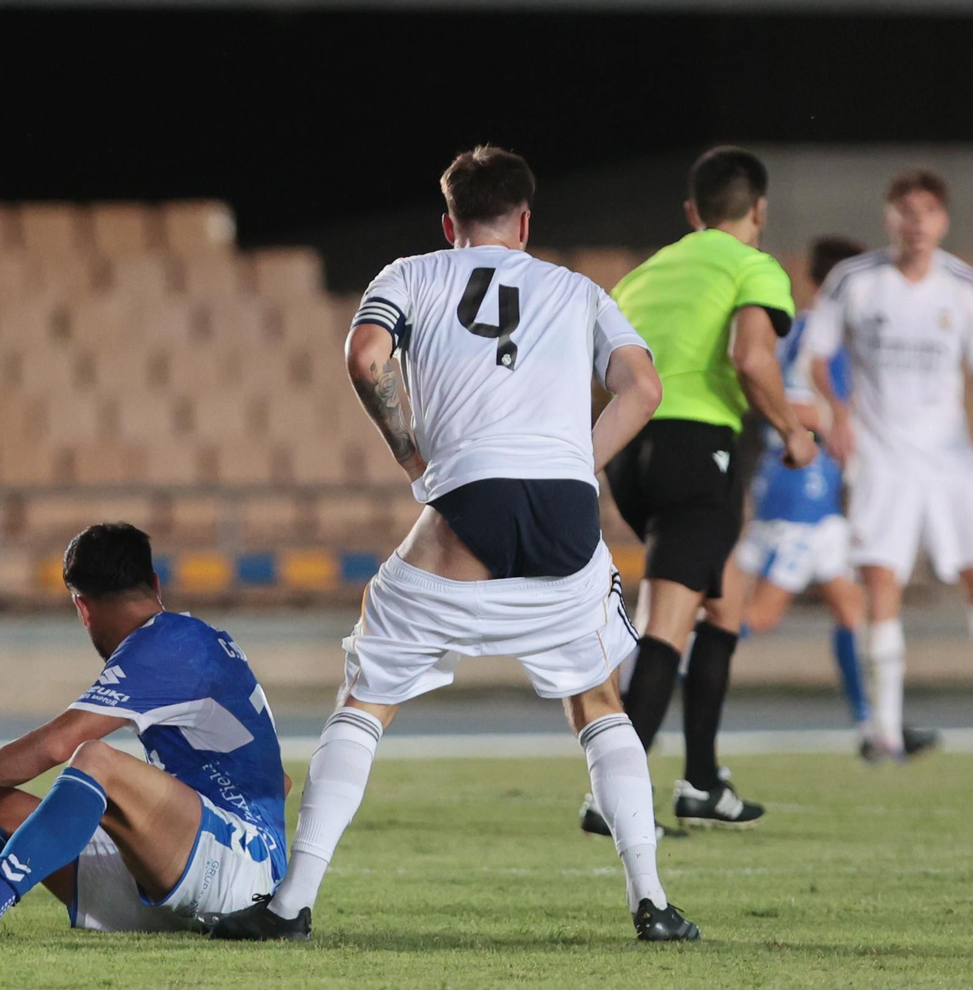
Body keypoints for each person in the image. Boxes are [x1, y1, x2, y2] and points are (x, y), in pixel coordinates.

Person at [203, 146, 698, 943]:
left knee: (366, 700)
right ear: (526, 219)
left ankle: (291, 904)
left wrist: (406, 449)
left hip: (468, 501)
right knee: (598, 700)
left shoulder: (410, 273)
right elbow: (644, 387)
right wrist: (579, 459)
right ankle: (653, 903)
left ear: (449, 222)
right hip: (567, 515)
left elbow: (367, 355)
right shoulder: (577, 290)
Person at [0, 522, 290, 942]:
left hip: (239, 873)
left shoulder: (167, 645)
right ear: (155, 584)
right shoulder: (190, 640)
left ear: (82, 606)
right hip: (187, 864)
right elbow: (281, 782)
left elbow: (56, 744)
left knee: (97, 759)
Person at [802, 169, 973, 766]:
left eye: (927, 211)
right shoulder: (854, 282)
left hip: (950, 462)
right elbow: (819, 355)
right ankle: (885, 735)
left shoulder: (965, 287)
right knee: (882, 584)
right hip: (883, 459)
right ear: (889, 216)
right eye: (905, 210)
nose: (916, 222)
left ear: (942, 221)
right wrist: (838, 414)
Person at [595, 147, 816, 833]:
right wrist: (792, 430)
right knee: (669, 620)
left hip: (632, 453)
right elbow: (750, 357)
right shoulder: (755, 266)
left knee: (724, 605)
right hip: (699, 448)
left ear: (692, 214)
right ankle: (611, 797)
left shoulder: (643, 274)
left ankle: (700, 782)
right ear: (759, 210)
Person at [732, 236, 937, 762]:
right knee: (761, 615)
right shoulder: (809, 335)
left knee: (851, 607)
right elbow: (773, 396)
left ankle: (873, 727)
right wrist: (836, 420)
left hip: (819, 492)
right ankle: (652, 680)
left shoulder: (843, 335)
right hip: (800, 485)